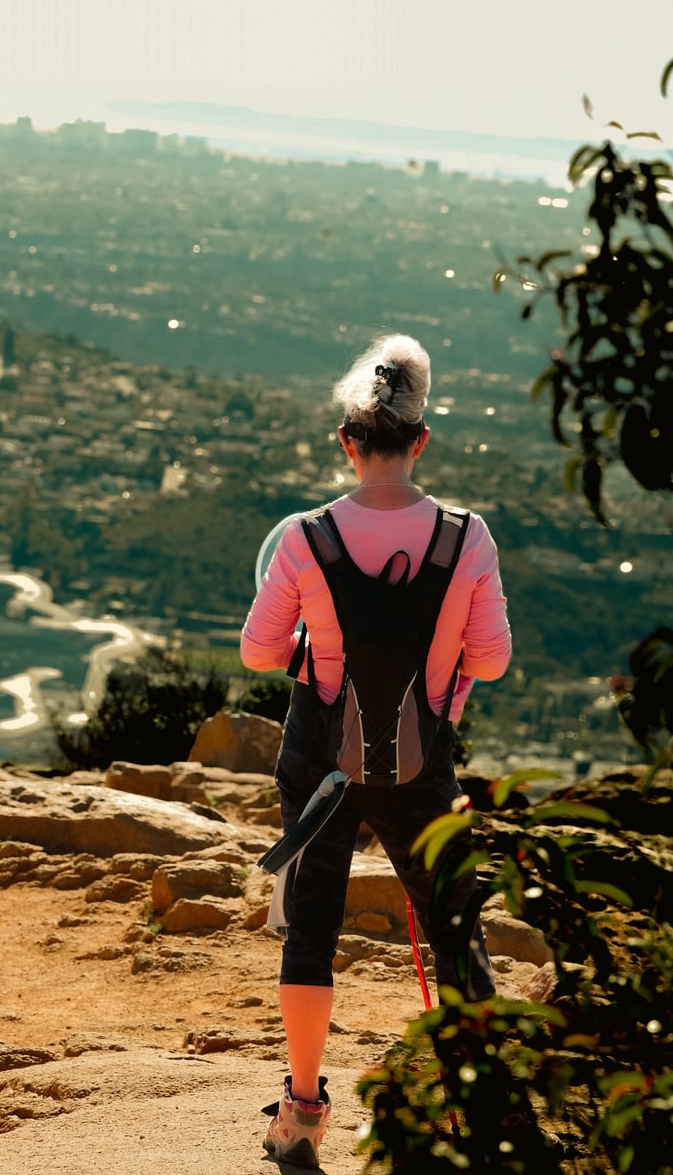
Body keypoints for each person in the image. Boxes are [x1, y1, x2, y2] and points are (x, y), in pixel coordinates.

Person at [240, 333, 512, 1167]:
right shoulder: (467, 538)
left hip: (320, 763)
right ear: (421, 440)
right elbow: (492, 658)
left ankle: (303, 1113)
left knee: (310, 934)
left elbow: (257, 651)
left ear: (347, 442)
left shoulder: (306, 539)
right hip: (420, 764)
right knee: (454, 929)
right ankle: (483, 1104)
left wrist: (307, 635)